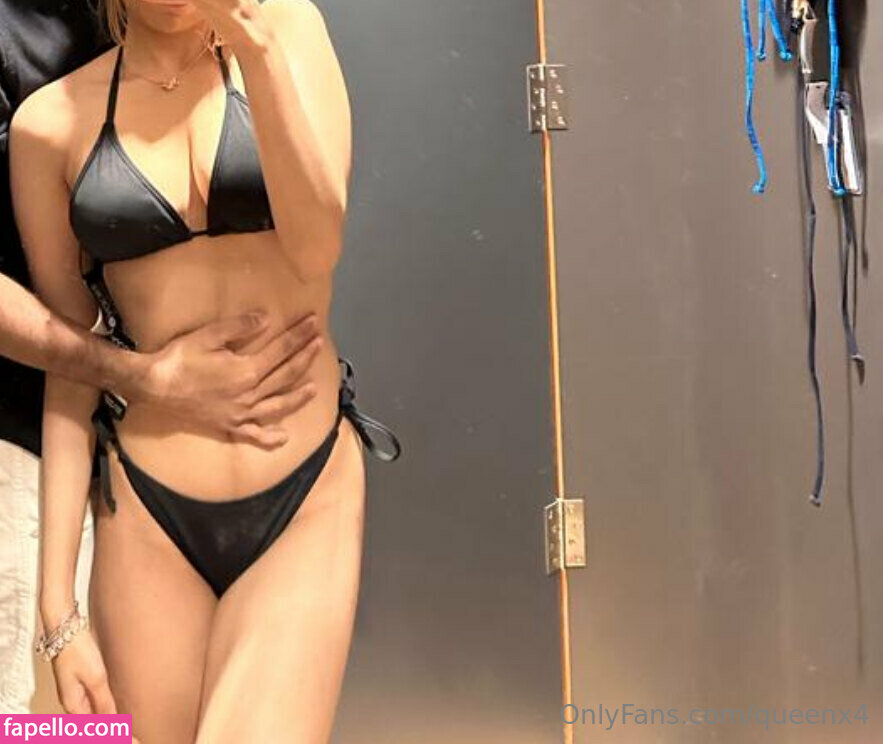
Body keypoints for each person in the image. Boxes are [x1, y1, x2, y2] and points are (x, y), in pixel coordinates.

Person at [9, 0, 402, 740]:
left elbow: (317, 246)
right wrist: (58, 608)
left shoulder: (288, 30)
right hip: (146, 516)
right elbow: (72, 359)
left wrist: (257, 51)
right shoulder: (49, 123)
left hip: (302, 494)